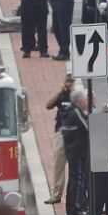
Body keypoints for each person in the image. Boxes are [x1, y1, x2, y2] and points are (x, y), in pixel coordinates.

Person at [43, 75, 76, 204]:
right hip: (61, 132)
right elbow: (48, 105)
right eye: (67, 82)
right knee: (58, 164)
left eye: (71, 82)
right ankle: (56, 194)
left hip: (74, 134)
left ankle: (74, 196)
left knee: (75, 167)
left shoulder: (77, 97)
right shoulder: (61, 96)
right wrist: (59, 93)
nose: (69, 84)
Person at [61, 90, 90, 215]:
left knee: (74, 179)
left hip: (74, 151)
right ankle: (76, 207)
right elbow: (87, 127)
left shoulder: (71, 111)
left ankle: (74, 206)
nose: (87, 102)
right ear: (79, 101)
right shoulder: (75, 112)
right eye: (85, 100)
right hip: (77, 151)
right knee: (78, 179)